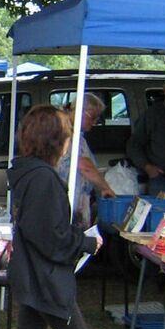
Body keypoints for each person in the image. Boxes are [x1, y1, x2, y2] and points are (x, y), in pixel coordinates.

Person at [0, 105, 102, 329]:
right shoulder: (42, 178)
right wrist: (85, 241)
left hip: (32, 276)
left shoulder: (30, 173)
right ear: (55, 140)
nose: (71, 140)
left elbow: (44, 228)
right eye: (68, 133)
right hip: (45, 279)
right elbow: (50, 237)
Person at [58, 93, 115, 228]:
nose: (95, 122)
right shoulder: (68, 134)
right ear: (80, 112)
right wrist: (105, 188)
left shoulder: (71, 132)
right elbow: (84, 165)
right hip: (68, 199)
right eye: (93, 117)